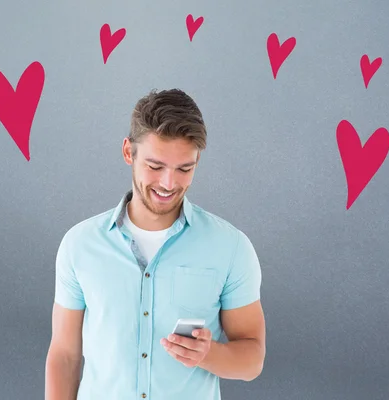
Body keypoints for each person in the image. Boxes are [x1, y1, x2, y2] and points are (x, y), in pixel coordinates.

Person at [45, 88, 266, 400]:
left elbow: (252, 360)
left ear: (197, 159)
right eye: (155, 166)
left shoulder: (231, 247)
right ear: (128, 152)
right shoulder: (79, 245)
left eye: (184, 169)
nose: (168, 183)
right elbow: (65, 355)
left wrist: (208, 354)